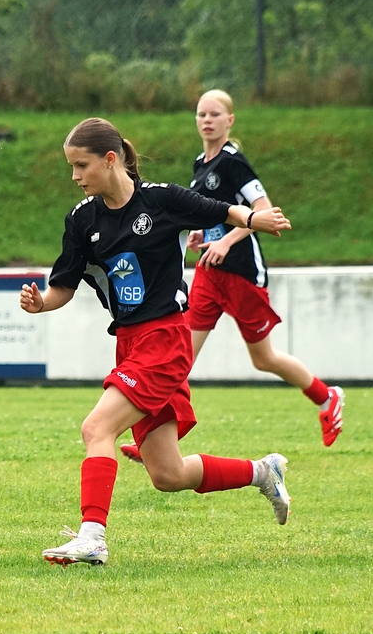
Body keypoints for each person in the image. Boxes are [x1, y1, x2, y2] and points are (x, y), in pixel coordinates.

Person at [20, 117, 292, 566]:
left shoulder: (160, 200)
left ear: (110, 160)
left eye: (81, 165)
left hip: (165, 338)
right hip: (130, 343)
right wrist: (41, 303)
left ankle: (92, 537)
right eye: (71, 166)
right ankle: (263, 472)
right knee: (168, 474)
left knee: (96, 428)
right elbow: (63, 285)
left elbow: (218, 209)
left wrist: (252, 218)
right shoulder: (82, 219)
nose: (74, 176)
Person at [120, 90, 343, 471]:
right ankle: (158, 446)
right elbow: (211, 212)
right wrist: (203, 235)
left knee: (263, 358)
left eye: (215, 114)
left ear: (230, 120)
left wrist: (225, 240)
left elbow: (263, 210)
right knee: (179, 358)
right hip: (210, 273)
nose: (207, 120)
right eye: (201, 114)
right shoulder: (200, 163)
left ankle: (326, 397)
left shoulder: (233, 162)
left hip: (241, 273)